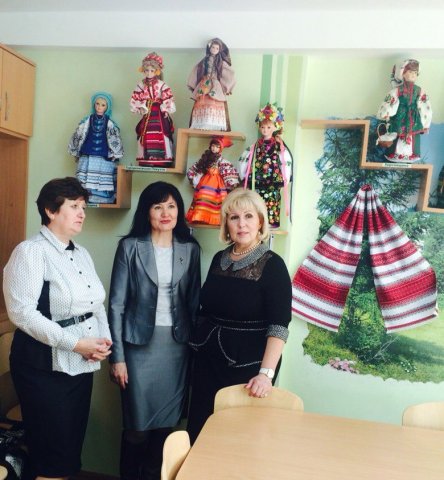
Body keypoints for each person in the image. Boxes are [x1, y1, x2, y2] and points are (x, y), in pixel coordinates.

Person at [3, 177, 113, 480]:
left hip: (81, 363)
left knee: (68, 450)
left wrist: (103, 342)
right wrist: (76, 344)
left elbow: (96, 305)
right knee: (52, 454)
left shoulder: (82, 253)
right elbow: (22, 313)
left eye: (83, 207)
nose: (82, 213)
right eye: (74, 206)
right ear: (50, 211)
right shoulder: (31, 251)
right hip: (42, 366)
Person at [108, 181, 201, 480]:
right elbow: (116, 305)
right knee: (137, 429)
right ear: (146, 212)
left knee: (165, 428)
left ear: (179, 211)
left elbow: (194, 305)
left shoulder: (190, 250)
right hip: (137, 349)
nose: (165, 213)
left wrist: (196, 355)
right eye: (158, 206)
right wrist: (117, 358)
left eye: (171, 206)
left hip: (177, 348)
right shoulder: (130, 247)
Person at [186, 188, 292, 444]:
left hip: (247, 369)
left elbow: (279, 325)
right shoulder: (219, 259)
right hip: (208, 360)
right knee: (200, 432)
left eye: (248, 216)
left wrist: (266, 374)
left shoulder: (273, 265)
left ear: (260, 222)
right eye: (234, 217)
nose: (241, 224)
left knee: (237, 439)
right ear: (227, 224)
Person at [238, 103, 293, 229]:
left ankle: (270, 222)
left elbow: (285, 160)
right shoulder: (255, 146)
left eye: (269, 127)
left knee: (272, 199)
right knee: (255, 201)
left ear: (275, 127)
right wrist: (243, 174)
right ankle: (256, 223)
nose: (265, 130)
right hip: (257, 179)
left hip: (274, 179)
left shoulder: (279, 146)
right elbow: (245, 159)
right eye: (263, 127)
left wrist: (286, 177)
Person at [68, 91, 124, 204]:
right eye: (97, 104)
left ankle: (101, 197)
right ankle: (86, 196)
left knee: (101, 178)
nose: (99, 107)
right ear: (94, 105)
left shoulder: (110, 123)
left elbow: (114, 138)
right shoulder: (86, 121)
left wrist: (116, 153)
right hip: (87, 153)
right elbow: (79, 135)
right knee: (86, 176)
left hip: (103, 156)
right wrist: (75, 151)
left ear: (107, 107)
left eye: (103, 105)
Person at [377, 59, 432, 163]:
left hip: (414, 117)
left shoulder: (419, 90)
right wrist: (386, 112)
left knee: (413, 134)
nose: (413, 75)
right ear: (403, 73)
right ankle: (396, 153)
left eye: (415, 73)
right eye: (410, 72)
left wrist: (425, 123)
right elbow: (391, 100)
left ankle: (410, 154)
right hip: (399, 115)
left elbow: (425, 106)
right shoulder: (397, 90)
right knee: (397, 132)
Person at [130, 52, 176, 168]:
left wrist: (165, 109)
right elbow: (136, 98)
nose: (149, 73)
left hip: (158, 111)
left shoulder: (162, 84)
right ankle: (147, 158)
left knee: (161, 131)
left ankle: (161, 159)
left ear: (157, 71)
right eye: (146, 70)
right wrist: (141, 106)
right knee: (145, 132)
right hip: (147, 111)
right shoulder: (141, 85)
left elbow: (168, 98)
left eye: (152, 70)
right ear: (143, 70)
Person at [186, 136, 239, 225]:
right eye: (213, 146)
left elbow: (227, 170)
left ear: (220, 149)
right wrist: (194, 177)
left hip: (217, 183)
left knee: (218, 200)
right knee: (202, 196)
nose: (214, 148)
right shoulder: (206, 158)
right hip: (205, 182)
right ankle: (201, 217)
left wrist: (230, 182)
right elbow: (197, 168)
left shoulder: (222, 160)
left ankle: (215, 219)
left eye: (217, 147)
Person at [187, 37, 235, 131]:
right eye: (213, 47)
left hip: (215, 84)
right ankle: (203, 121)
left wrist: (228, 87)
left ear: (219, 50)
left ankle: (213, 122)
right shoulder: (204, 60)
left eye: (217, 48)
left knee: (214, 101)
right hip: (204, 83)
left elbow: (229, 72)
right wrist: (193, 84)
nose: (214, 49)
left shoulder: (220, 62)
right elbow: (197, 70)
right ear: (209, 48)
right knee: (202, 101)